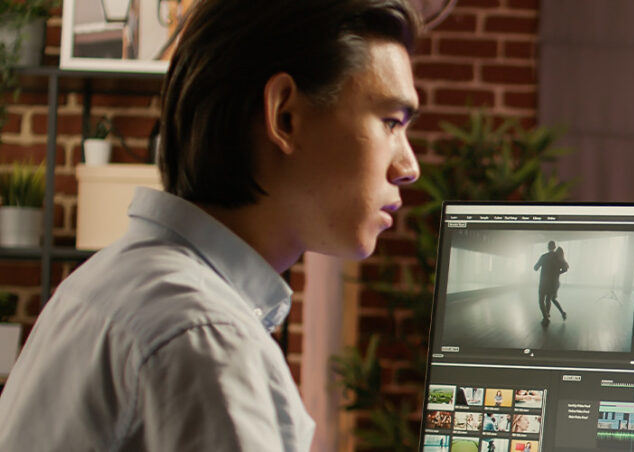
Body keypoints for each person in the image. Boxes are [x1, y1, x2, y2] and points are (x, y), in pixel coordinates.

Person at [0, 0, 422, 449]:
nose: (408, 166)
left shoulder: (109, 283)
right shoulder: (207, 337)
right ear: (285, 116)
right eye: (391, 122)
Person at [533, 240, 569, 325]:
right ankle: (548, 315)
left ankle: (545, 318)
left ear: (548, 247)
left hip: (543, 282)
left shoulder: (544, 257)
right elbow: (565, 269)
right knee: (548, 299)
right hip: (553, 283)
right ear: (554, 247)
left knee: (541, 300)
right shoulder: (558, 257)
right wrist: (557, 273)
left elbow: (535, 268)